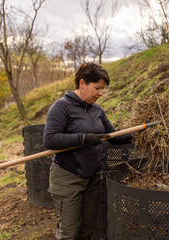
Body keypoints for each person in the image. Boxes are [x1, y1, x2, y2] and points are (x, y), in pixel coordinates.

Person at [43, 62, 132, 240]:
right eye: (97, 88)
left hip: (93, 177)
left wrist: (136, 134)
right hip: (68, 177)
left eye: (102, 89)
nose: (100, 93)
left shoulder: (97, 110)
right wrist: (83, 138)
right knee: (69, 232)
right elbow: (50, 139)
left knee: (88, 228)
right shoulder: (62, 107)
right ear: (82, 83)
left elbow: (112, 136)